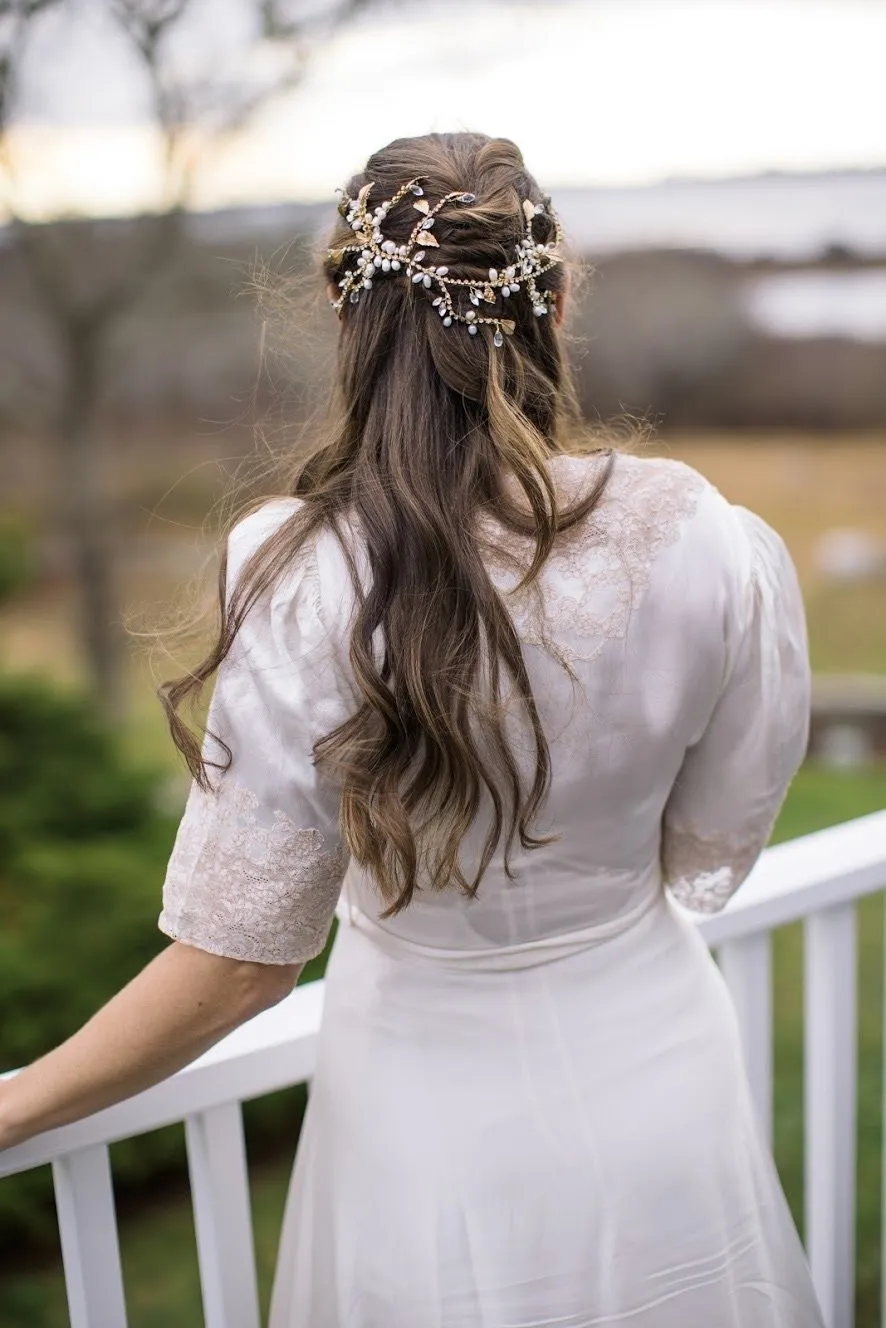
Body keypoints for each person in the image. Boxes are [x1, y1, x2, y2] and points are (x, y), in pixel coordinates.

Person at [0, 132, 823, 1327]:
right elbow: (710, 833)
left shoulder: (295, 576)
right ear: (551, 302)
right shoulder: (698, 534)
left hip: (428, 1115)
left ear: (348, 313)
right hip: (658, 1066)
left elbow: (240, 960)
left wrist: (16, 1103)